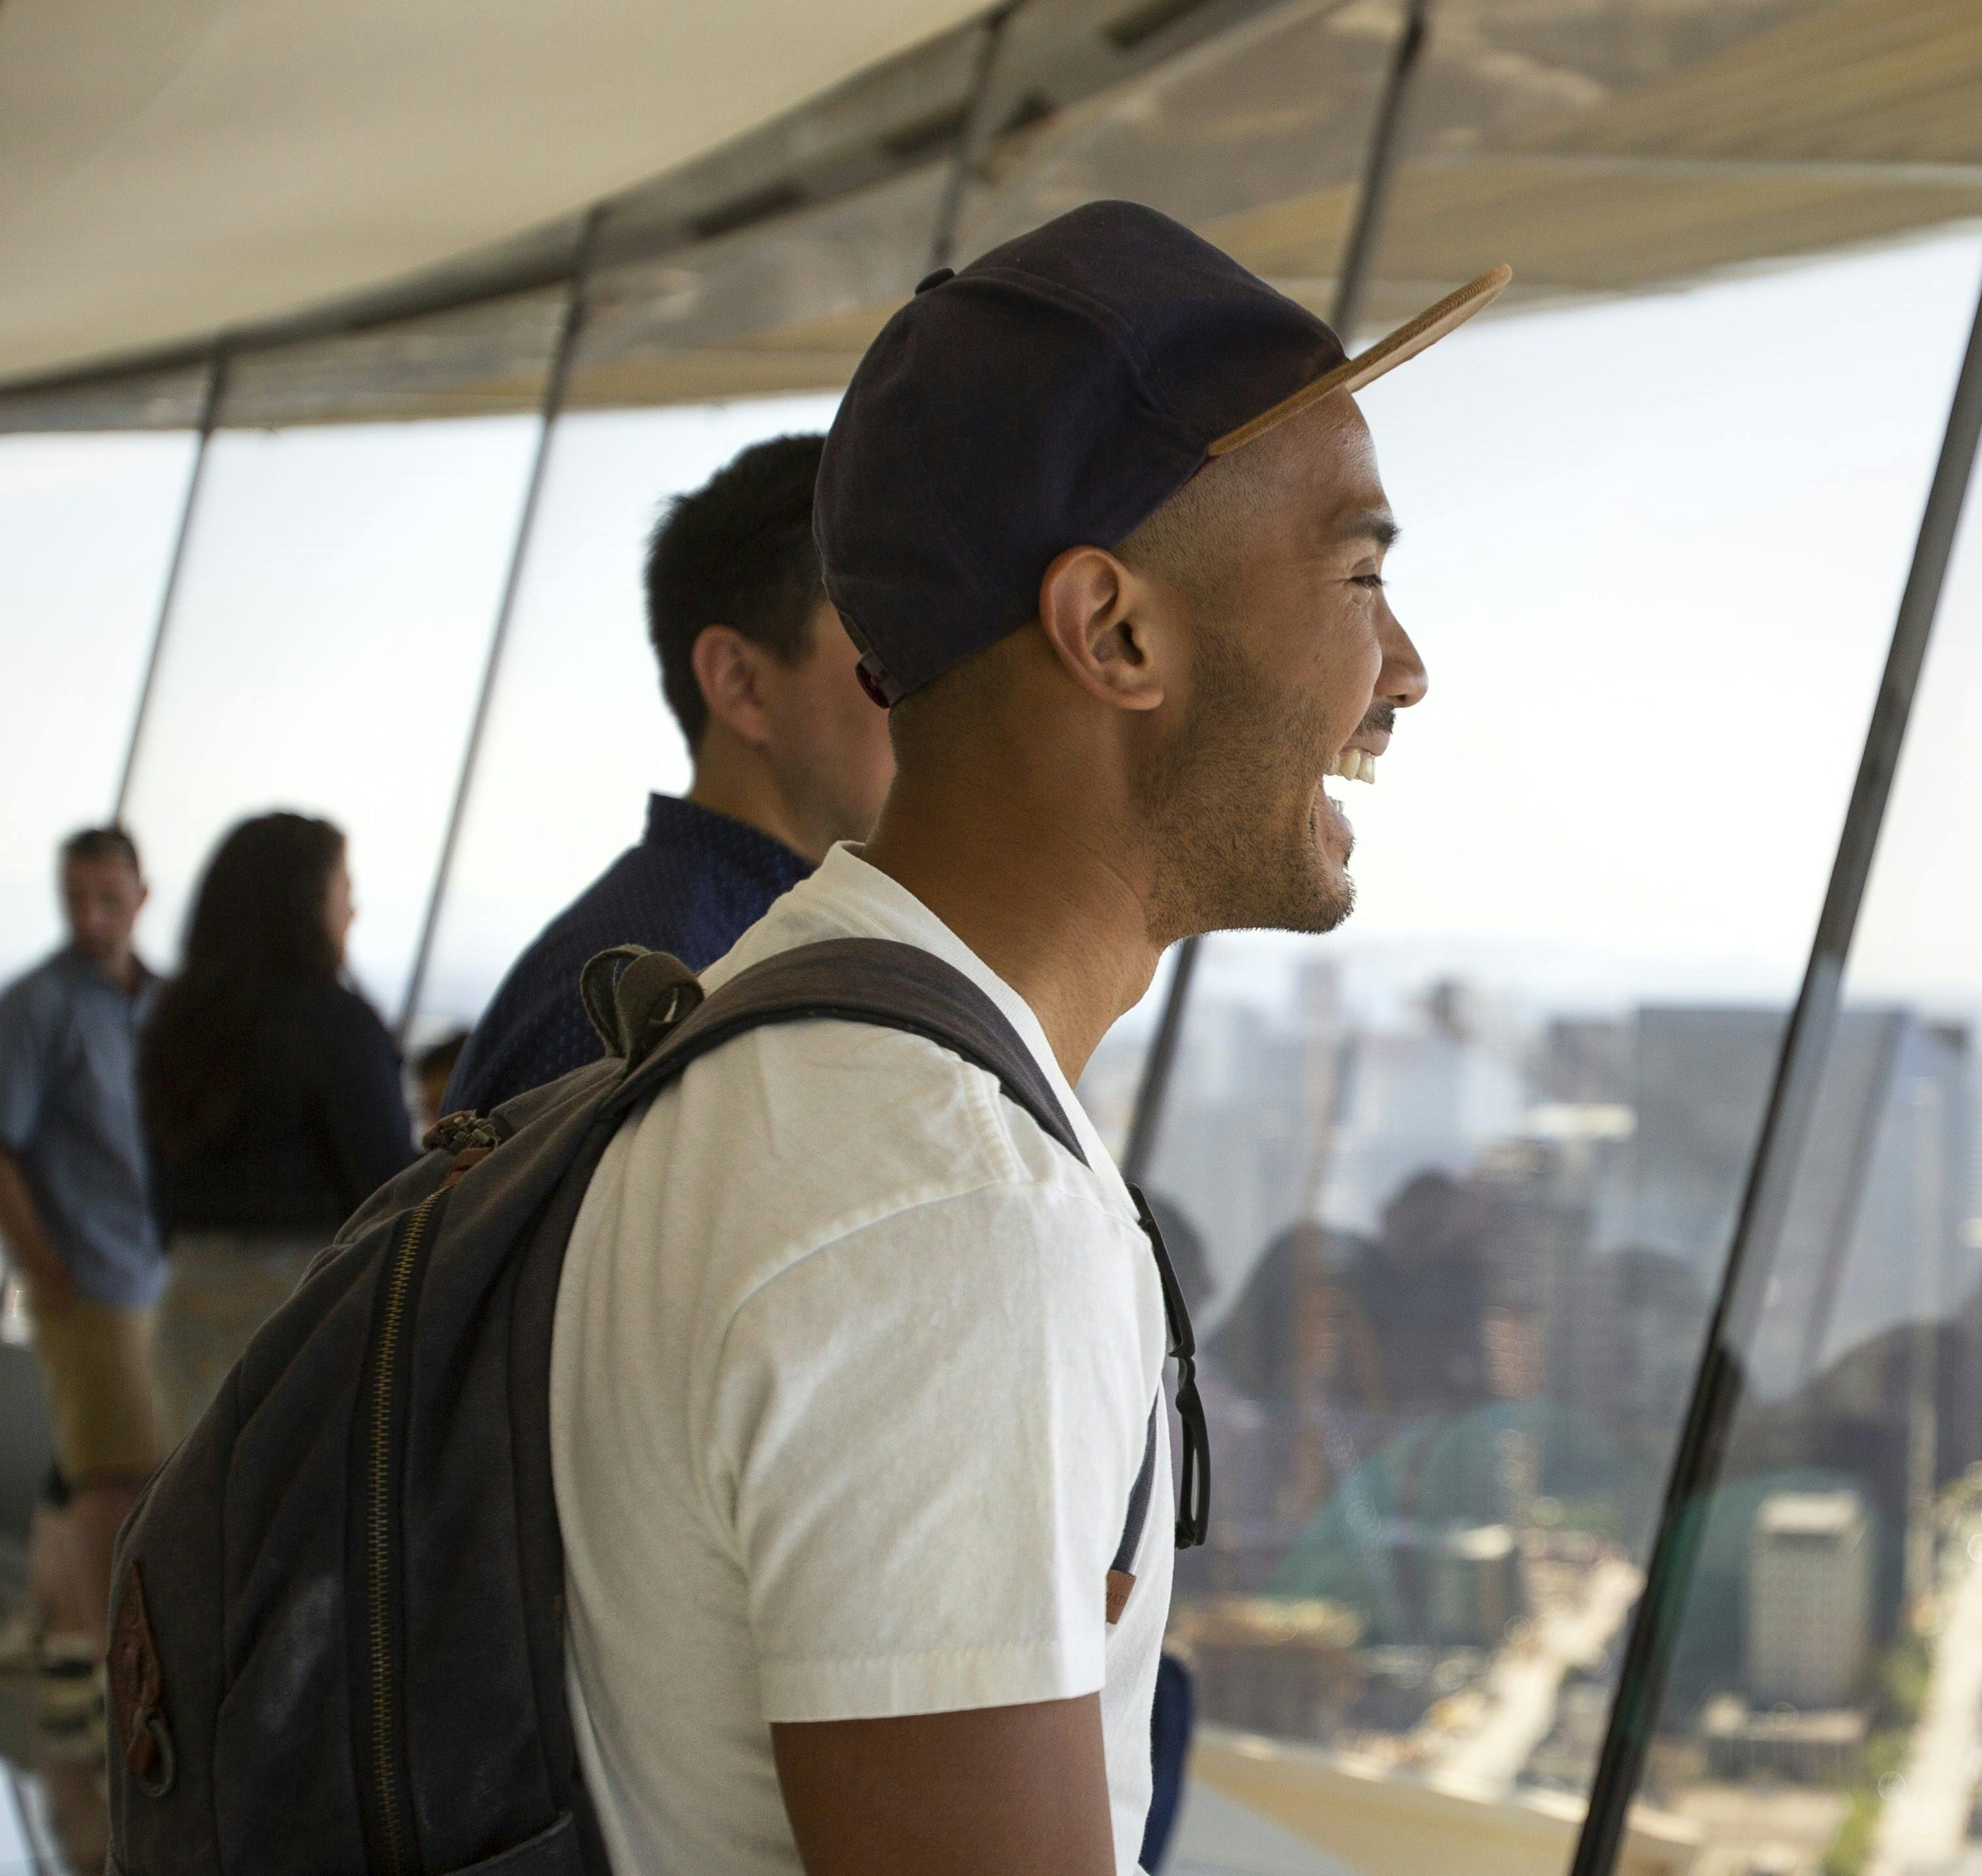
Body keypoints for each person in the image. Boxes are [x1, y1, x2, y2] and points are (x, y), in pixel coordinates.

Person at [546, 199, 1490, 1876]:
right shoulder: (945, 1206)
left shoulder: (777, 1041)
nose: (1403, 669)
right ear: (1114, 630)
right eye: (1359, 574)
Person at [437, 434, 893, 1117]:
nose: (938, 685)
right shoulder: (649, 990)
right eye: (886, 636)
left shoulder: (739, 945)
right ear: (741, 684)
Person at [0, 826, 164, 1703]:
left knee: (100, 1456)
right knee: (113, 1472)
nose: (90, 915)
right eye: (75, 897)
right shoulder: (32, 1010)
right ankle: (100, 1659)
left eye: (108, 898)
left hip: (156, 1270)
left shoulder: (163, 1003)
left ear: (141, 897)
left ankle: (59, 1623)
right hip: (89, 1275)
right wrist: (44, 1267)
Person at [134, 811, 417, 1433]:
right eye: (344, 888)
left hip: (188, 1311)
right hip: (298, 1321)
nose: (354, 909)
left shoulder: (176, 1021)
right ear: (305, 903)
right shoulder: (335, 1024)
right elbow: (388, 1190)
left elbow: (160, 1190)